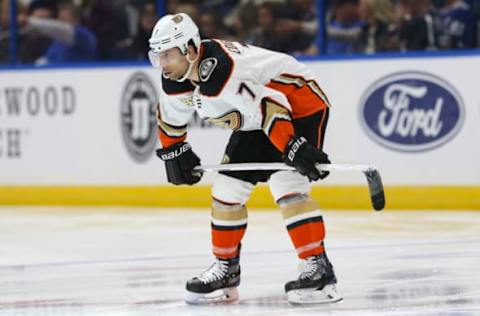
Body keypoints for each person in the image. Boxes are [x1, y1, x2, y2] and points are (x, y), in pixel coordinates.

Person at [148, 13, 340, 305]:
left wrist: (292, 146)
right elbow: (171, 118)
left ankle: (319, 270)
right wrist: (174, 151)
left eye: (167, 55)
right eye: (157, 56)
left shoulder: (224, 71)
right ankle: (226, 269)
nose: (161, 64)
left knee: (288, 185)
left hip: (301, 104)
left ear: (189, 49)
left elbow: (270, 106)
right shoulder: (178, 77)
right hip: (258, 116)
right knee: (226, 190)